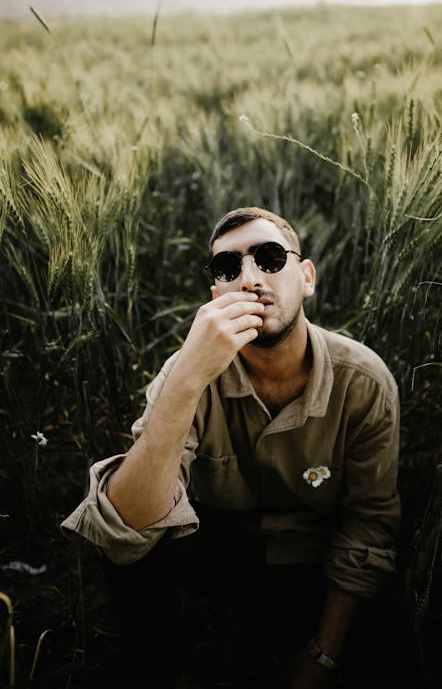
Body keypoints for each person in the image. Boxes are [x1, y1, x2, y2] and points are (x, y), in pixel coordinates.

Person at [62, 207, 403, 689]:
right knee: (135, 539)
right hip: (220, 549)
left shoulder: (364, 381)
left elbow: (368, 526)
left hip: (311, 560)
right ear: (215, 294)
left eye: (268, 258)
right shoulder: (187, 370)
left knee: (384, 642)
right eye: (227, 268)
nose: (249, 279)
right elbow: (125, 526)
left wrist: (322, 656)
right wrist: (188, 379)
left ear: (306, 277)